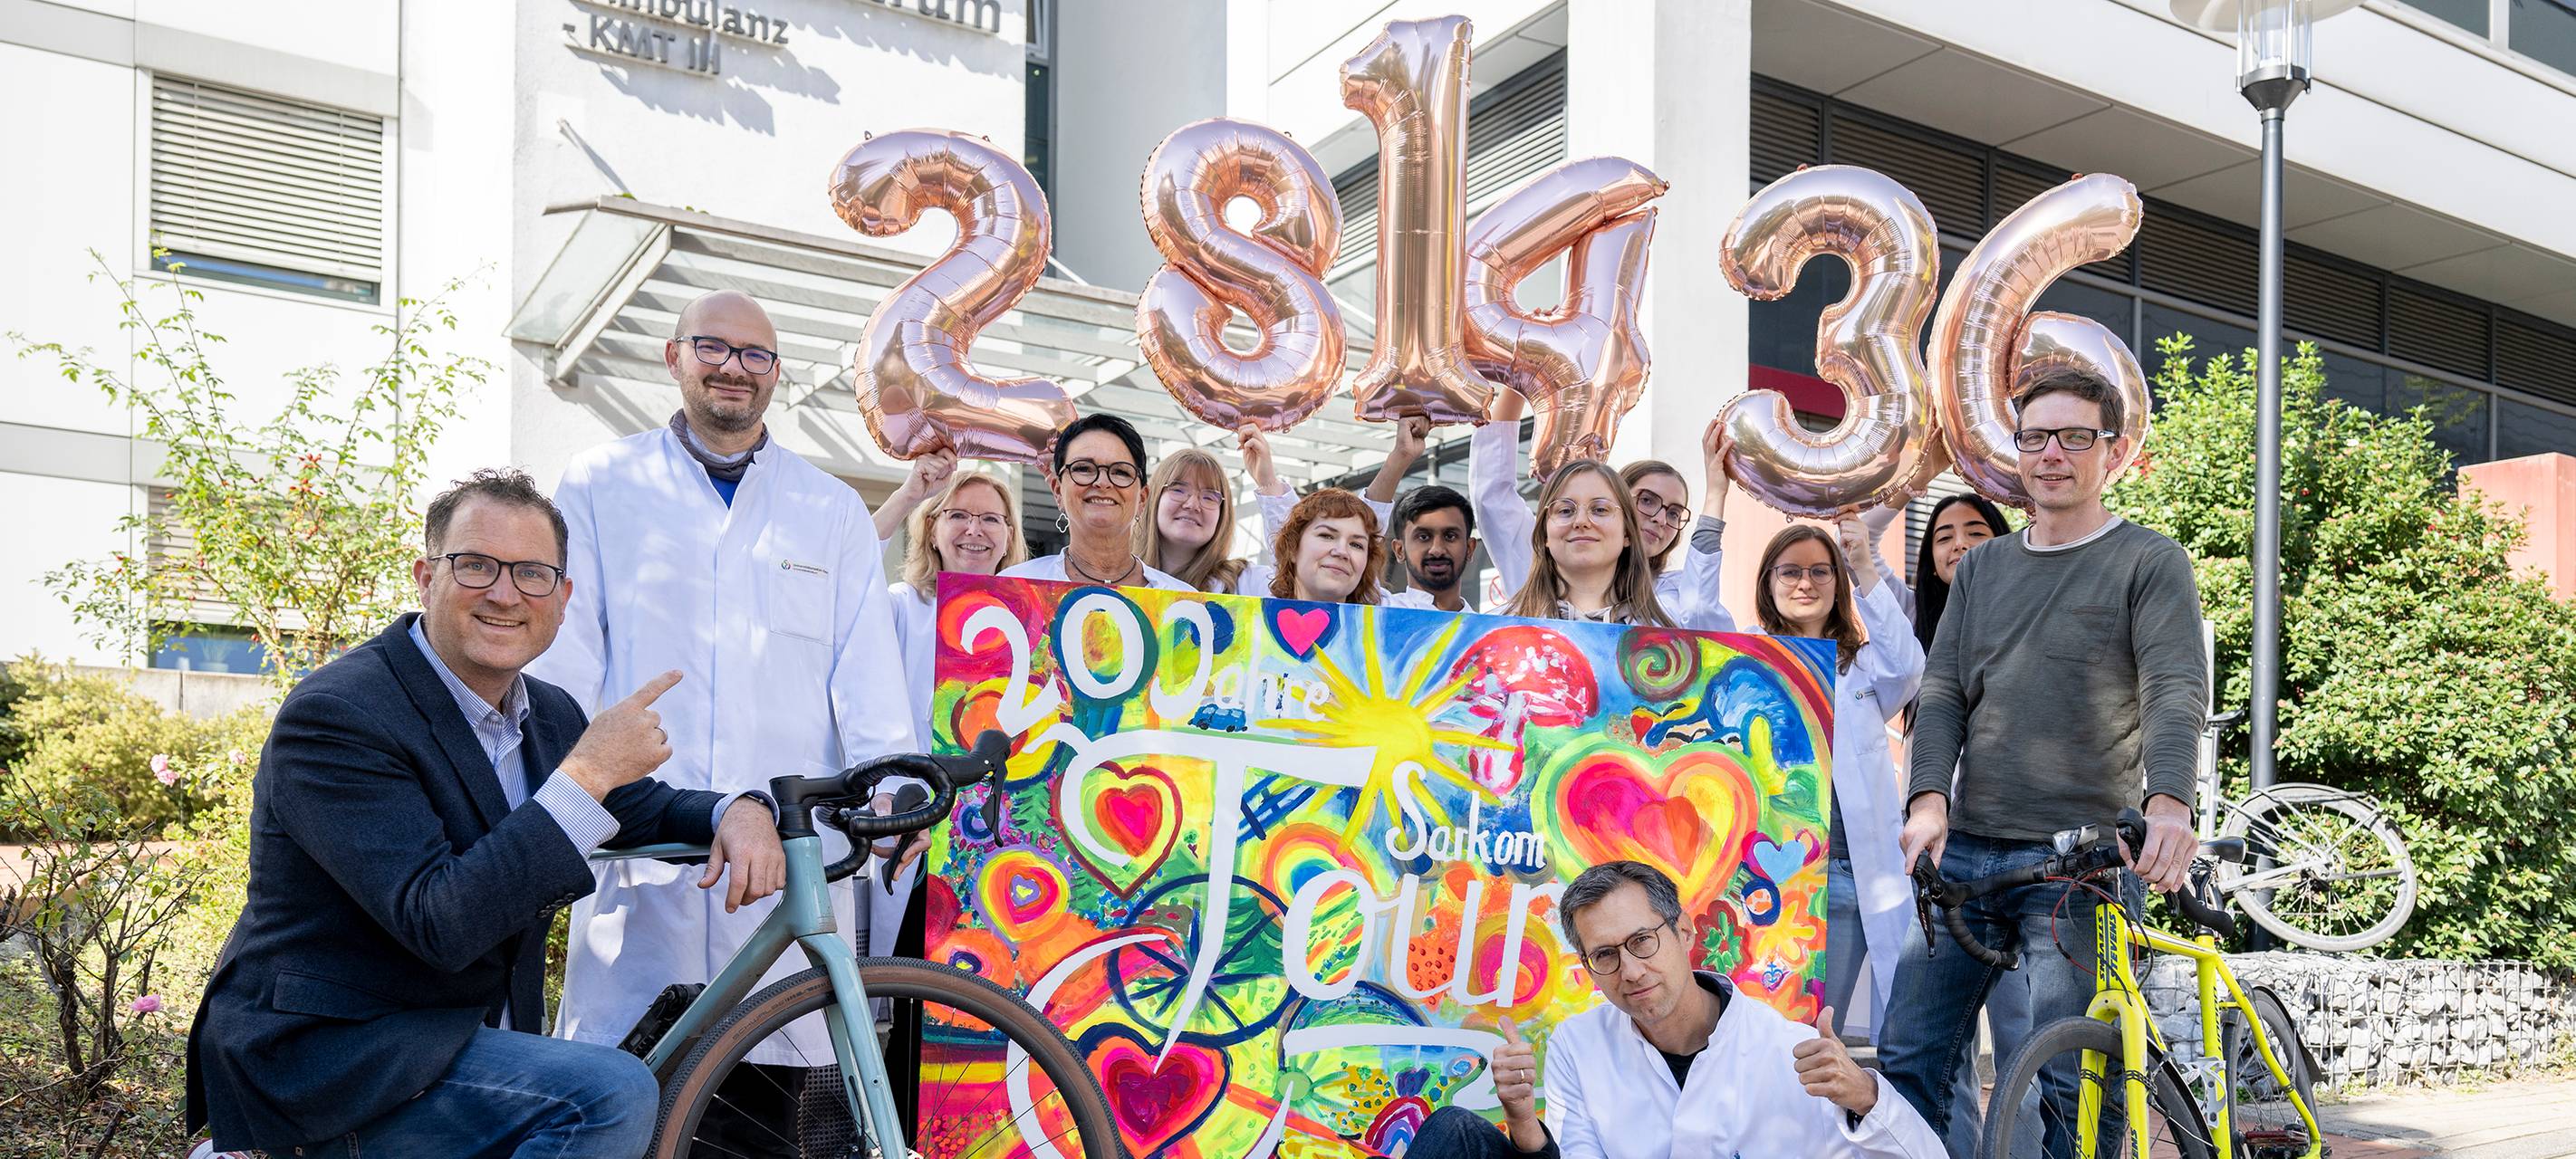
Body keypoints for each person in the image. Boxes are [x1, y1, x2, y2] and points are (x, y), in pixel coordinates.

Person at [187, 469, 783, 1156]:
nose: (504, 594)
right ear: (425, 578)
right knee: (607, 1094)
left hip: (451, 1045)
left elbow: (639, 807)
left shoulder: (546, 712)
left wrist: (738, 810)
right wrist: (588, 772)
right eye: (476, 565)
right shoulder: (339, 714)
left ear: (562, 598)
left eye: (532, 573)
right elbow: (438, 921)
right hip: (329, 1064)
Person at [531, 289, 918, 1139]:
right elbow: (563, 664)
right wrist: (566, 791)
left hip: (792, 855)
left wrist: (893, 793)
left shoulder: (829, 509)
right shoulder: (600, 482)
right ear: (674, 356)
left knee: (788, 1115)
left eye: (755, 355)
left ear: (776, 374)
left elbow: (868, 677)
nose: (733, 368)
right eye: (713, 347)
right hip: (650, 851)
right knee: (633, 1103)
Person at [1879, 367, 2209, 1154]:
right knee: (1906, 1059)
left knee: (2076, 1082)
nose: (2052, 454)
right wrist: (1928, 801)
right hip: (1966, 856)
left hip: (2083, 863)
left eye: (2074, 437)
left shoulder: (2148, 560)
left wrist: (2169, 802)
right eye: (2035, 437)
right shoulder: (1984, 567)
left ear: (2113, 451)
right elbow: (1945, 692)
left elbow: (2174, 687)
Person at [1407, 861, 1943, 1158]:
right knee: (1454, 1132)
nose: (1630, 970)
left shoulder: (1793, 1052)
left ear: (1684, 932)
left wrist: (1865, 1095)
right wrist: (1523, 1121)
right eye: (1605, 955)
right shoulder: (1578, 1043)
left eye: (1642, 941)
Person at [1859, 489, 2023, 1156]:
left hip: (2018, 852)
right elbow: (1860, 544)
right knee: (1934, 1043)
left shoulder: (2027, 613)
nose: (1958, 544)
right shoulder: (1912, 619)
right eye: (1943, 535)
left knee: (2023, 1041)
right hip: (1935, 860)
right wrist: (1914, 473)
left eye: (1974, 530)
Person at [1737, 522, 1924, 1048]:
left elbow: (1908, 666)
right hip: (1771, 874)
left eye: (1821, 572)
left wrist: (1863, 563)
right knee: (1769, 1032)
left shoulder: (1861, 668)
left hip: (1848, 873)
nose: (1805, 583)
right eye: (1790, 571)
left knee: (1824, 1034)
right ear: (1768, 581)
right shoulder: (1748, 656)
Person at [1474, 389, 1725, 627]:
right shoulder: (1510, 615)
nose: (1660, 519)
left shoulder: (1670, 604)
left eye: (1673, 513)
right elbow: (1493, 498)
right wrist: (1518, 378)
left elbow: (1702, 618)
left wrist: (1716, 494)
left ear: (1625, 530)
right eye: (1647, 500)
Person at [1003, 412, 1196, 591]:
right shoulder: (1013, 587)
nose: (1102, 483)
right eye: (1084, 468)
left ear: (1142, 498)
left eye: (1120, 472)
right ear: (1058, 490)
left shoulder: (1184, 601)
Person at [1500, 458, 1674, 627]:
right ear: (1545, 534)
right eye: (1565, 510)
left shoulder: (1670, 637)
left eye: (1600, 510)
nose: (1581, 521)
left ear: (1627, 533)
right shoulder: (1498, 632)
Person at [1139, 444, 1252, 592]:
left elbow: (1282, 581)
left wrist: (1268, 483)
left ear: (1223, 514)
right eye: (1178, 490)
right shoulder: (1118, 575)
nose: (1192, 505)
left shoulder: (1244, 582)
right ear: (1153, 498)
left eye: (1209, 497)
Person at [1265, 487, 1386, 604]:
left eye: (1356, 545)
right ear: (1292, 548)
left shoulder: (1388, 617)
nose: (1342, 552)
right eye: (1327, 536)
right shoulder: (1256, 616)